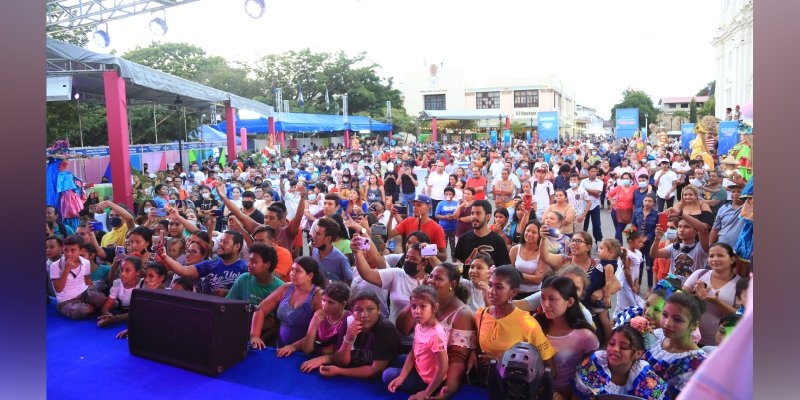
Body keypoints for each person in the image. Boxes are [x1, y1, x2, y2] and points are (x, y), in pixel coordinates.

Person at [474, 265, 557, 384]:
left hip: (513, 389)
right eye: (491, 285)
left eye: (499, 287)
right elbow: (474, 347)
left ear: (513, 292)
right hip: (483, 384)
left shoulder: (526, 323)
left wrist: (500, 362)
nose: (491, 291)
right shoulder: (480, 315)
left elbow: (550, 370)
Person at [533, 276, 599, 399]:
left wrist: (570, 394)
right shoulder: (535, 324)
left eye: (552, 299)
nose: (545, 304)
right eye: (543, 298)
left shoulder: (585, 336)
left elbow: (590, 374)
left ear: (570, 302)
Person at [313, 290, 402, 379]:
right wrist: (348, 339)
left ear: (378, 310)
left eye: (370, 309)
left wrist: (339, 371)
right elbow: (342, 362)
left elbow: (375, 371)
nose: (364, 315)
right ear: (352, 311)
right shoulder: (349, 322)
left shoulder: (386, 329)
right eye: (358, 310)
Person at [384, 286, 449, 399]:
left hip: (426, 380)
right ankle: (407, 374)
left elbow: (442, 368)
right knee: (394, 360)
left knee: (387, 374)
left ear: (435, 308)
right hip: (419, 364)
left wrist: (426, 393)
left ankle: (427, 388)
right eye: (413, 307)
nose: (417, 311)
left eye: (423, 306)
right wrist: (402, 377)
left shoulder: (436, 336)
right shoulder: (419, 325)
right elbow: (413, 352)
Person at [572, 325, 668, 399]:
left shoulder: (644, 375)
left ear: (638, 354)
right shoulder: (595, 364)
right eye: (611, 343)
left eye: (623, 347)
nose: (615, 349)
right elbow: (576, 396)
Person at [250, 256, 326, 349]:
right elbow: (260, 309)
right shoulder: (286, 288)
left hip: (304, 352)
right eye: (292, 269)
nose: (292, 274)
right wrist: (255, 336)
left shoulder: (318, 296)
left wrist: (293, 347)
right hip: (280, 349)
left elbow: (320, 331)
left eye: (298, 271)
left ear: (310, 276)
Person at [642, 292, 707, 399]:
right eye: (665, 315)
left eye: (677, 319)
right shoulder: (656, 335)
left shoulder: (698, 364)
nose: (667, 323)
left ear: (694, 325)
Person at [681, 243, 741, 346]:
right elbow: (680, 299)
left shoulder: (741, 284)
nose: (715, 259)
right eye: (711, 256)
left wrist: (716, 302)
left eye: (720, 255)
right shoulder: (700, 274)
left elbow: (740, 316)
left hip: (721, 344)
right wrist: (696, 297)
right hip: (690, 340)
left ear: (732, 259)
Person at [157, 230, 247, 296]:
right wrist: (164, 255)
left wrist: (227, 293)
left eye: (225, 242)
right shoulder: (210, 264)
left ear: (237, 246)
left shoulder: (245, 268)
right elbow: (183, 270)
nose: (220, 244)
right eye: (221, 241)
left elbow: (247, 294)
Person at [279, 282, 351, 361]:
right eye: (323, 300)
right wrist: (313, 324)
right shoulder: (321, 316)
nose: (325, 305)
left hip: (337, 363)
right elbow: (307, 349)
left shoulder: (348, 320)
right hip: (317, 358)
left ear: (343, 304)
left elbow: (343, 356)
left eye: (330, 302)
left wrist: (321, 360)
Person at [50, 235, 108, 319]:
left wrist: (93, 294)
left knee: (99, 298)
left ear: (81, 251)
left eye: (73, 250)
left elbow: (87, 279)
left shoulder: (85, 262)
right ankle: (93, 306)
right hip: (66, 300)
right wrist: (66, 270)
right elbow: (58, 289)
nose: (69, 254)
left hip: (84, 293)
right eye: (66, 250)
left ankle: (95, 303)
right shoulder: (55, 266)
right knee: (82, 310)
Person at [453, 200, 512, 278]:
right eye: (472, 213)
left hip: (489, 287)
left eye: (478, 213)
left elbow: (504, 268)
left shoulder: (498, 241)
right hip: (467, 287)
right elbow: (459, 263)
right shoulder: (463, 239)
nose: (474, 216)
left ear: (488, 216)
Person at [649, 209, 710, 280]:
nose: (681, 230)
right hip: (673, 289)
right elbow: (654, 254)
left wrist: (681, 214)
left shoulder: (701, 248)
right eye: (680, 226)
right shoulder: (674, 246)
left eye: (686, 227)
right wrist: (657, 239)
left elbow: (704, 230)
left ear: (696, 231)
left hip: (692, 289)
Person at [387, 194, 447, 261]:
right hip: (408, 262)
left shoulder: (437, 228)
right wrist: (391, 216)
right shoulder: (408, 221)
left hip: (426, 267)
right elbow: (389, 235)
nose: (415, 207)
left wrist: (426, 250)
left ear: (428, 206)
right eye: (414, 205)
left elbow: (444, 256)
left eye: (419, 205)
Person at [226, 243, 284, 308]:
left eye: (254, 262)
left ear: (267, 264)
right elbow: (228, 305)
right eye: (249, 260)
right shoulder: (243, 279)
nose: (249, 264)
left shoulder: (281, 288)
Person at [96, 256, 144, 327]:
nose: (122, 274)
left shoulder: (143, 285)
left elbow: (139, 312)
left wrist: (115, 318)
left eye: (127, 270)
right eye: (121, 270)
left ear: (138, 273)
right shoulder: (118, 284)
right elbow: (105, 308)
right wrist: (108, 316)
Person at [613, 229, 646, 317]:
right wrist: (632, 286)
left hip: (632, 282)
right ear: (631, 242)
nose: (641, 244)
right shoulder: (627, 254)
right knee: (626, 303)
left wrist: (637, 283)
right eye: (639, 242)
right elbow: (627, 272)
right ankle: (617, 320)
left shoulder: (638, 253)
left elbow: (638, 269)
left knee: (631, 302)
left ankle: (628, 319)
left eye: (642, 242)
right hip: (625, 283)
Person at [310, 217, 352, 285]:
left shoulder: (341, 259)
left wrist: (334, 286)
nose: (314, 237)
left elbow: (349, 281)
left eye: (318, 234)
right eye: (315, 233)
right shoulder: (314, 251)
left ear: (328, 239)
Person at [509, 220, 545, 298]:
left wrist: (517, 273)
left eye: (534, 232)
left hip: (534, 294)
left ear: (539, 235)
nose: (529, 234)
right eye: (527, 230)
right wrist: (530, 277)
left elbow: (538, 280)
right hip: (514, 292)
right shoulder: (514, 249)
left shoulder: (542, 253)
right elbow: (508, 274)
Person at [632, 194, 659, 288]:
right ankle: (637, 284)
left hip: (650, 243)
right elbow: (633, 226)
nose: (647, 203)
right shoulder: (637, 212)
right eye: (645, 201)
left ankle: (649, 287)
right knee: (638, 264)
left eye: (650, 201)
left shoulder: (656, 214)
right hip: (637, 243)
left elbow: (655, 230)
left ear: (654, 203)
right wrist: (635, 240)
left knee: (649, 266)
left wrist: (645, 238)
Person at [607, 172, 636, 242]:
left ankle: (618, 248)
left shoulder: (635, 188)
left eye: (627, 178)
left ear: (631, 180)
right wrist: (612, 202)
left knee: (618, 232)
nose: (625, 180)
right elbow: (610, 195)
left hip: (627, 213)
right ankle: (620, 249)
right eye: (623, 178)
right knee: (618, 231)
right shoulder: (619, 188)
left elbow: (647, 187)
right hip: (615, 212)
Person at [580, 165, 604, 242]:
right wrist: (591, 192)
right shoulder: (583, 181)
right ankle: (583, 241)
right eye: (591, 171)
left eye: (595, 171)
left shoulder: (600, 182)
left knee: (597, 225)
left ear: (597, 172)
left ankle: (599, 241)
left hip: (595, 206)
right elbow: (579, 193)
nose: (593, 173)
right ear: (588, 172)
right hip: (584, 206)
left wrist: (585, 190)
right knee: (584, 225)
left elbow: (597, 193)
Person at [434, 187, 460, 258]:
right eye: (446, 194)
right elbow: (436, 215)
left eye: (450, 194)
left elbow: (459, 214)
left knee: (454, 247)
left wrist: (453, 216)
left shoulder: (457, 203)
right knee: (442, 247)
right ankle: (442, 263)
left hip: (454, 228)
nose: (448, 195)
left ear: (453, 195)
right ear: (444, 195)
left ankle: (455, 262)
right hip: (443, 229)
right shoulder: (440, 203)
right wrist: (445, 217)